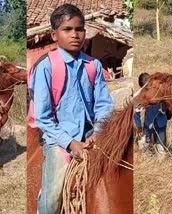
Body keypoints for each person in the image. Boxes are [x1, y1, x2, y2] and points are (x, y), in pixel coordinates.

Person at [29, 4, 114, 213]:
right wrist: (70, 143)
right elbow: (43, 118)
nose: (75, 35)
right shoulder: (47, 66)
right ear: (54, 34)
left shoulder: (93, 65)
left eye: (79, 29)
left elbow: (104, 104)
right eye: (67, 30)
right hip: (60, 137)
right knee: (52, 199)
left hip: (91, 133)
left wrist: (99, 131)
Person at [134, 72, 171, 155]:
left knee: (161, 148)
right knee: (146, 148)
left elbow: (168, 105)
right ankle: (149, 161)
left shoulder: (158, 92)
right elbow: (136, 113)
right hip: (148, 125)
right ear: (141, 84)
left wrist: (165, 111)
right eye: (145, 79)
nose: (148, 80)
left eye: (149, 78)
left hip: (161, 124)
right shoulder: (142, 97)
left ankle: (160, 162)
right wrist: (139, 127)